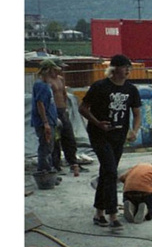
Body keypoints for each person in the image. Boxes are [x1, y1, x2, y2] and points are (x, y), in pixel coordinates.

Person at [78, 54, 142, 229]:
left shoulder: (131, 89)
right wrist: (97, 122)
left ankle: (99, 213)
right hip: (100, 135)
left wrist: (134, 130)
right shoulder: (100, 87)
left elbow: (137, 113)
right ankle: (112, 214)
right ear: (114, 69)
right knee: (112, 172)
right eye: (124, 67)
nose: (128, 70)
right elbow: (82, 108)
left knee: (106, 172)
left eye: (129, 67)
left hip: (118, 136)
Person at [46, 59, 83, 177]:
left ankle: (73, 162)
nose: (61, 70)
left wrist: (66, 108)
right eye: (59, 68)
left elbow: (64, 95)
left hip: (62, 111)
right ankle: (56, 165)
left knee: (69, 138)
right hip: (53, 112)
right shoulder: (47, 81)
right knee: (55, 140)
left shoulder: (61, 79)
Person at [31, 60, 60, 176]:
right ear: (48, 70)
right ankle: (44, 172)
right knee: (45, 147)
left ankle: (48, 170)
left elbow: (49, 104)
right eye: (54, 70)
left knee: (49, 146)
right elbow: (40, 104)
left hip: (50, 120)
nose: (56, 73)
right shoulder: (41, 85)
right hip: (44, 122)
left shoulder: (46, 85)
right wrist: (45, 122)